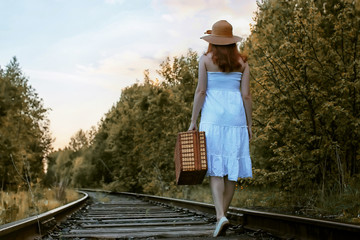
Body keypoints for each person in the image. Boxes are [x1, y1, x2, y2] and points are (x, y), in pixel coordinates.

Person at [188, 20, 253, 237]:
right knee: (231, 171)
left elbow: (201, 92)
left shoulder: (205, 60)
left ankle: (220, 216)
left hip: (213, 119)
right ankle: (222, 216)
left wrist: (193, 121)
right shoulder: (243, 63)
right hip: (236, 119)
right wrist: (249, 124)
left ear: (213, 41)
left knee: (215, 168)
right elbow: (246, 95)